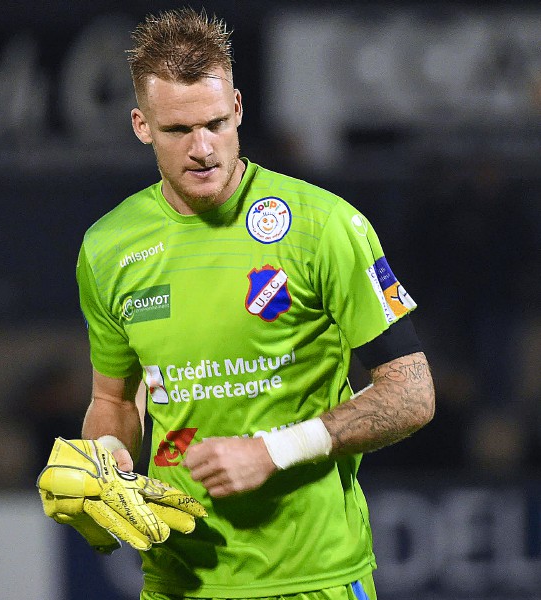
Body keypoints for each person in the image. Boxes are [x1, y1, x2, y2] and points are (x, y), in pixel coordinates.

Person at [75, 7, 435, 600]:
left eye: (216, 123)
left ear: (238, 108)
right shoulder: (108, 247)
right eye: (177, 131)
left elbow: (413, 393)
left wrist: (275, 450)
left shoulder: (323, 226)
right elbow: (113, 399)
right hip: (178, 582)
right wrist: (106, 462)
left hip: (312, 578)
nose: (203, 149)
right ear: (141, 125)